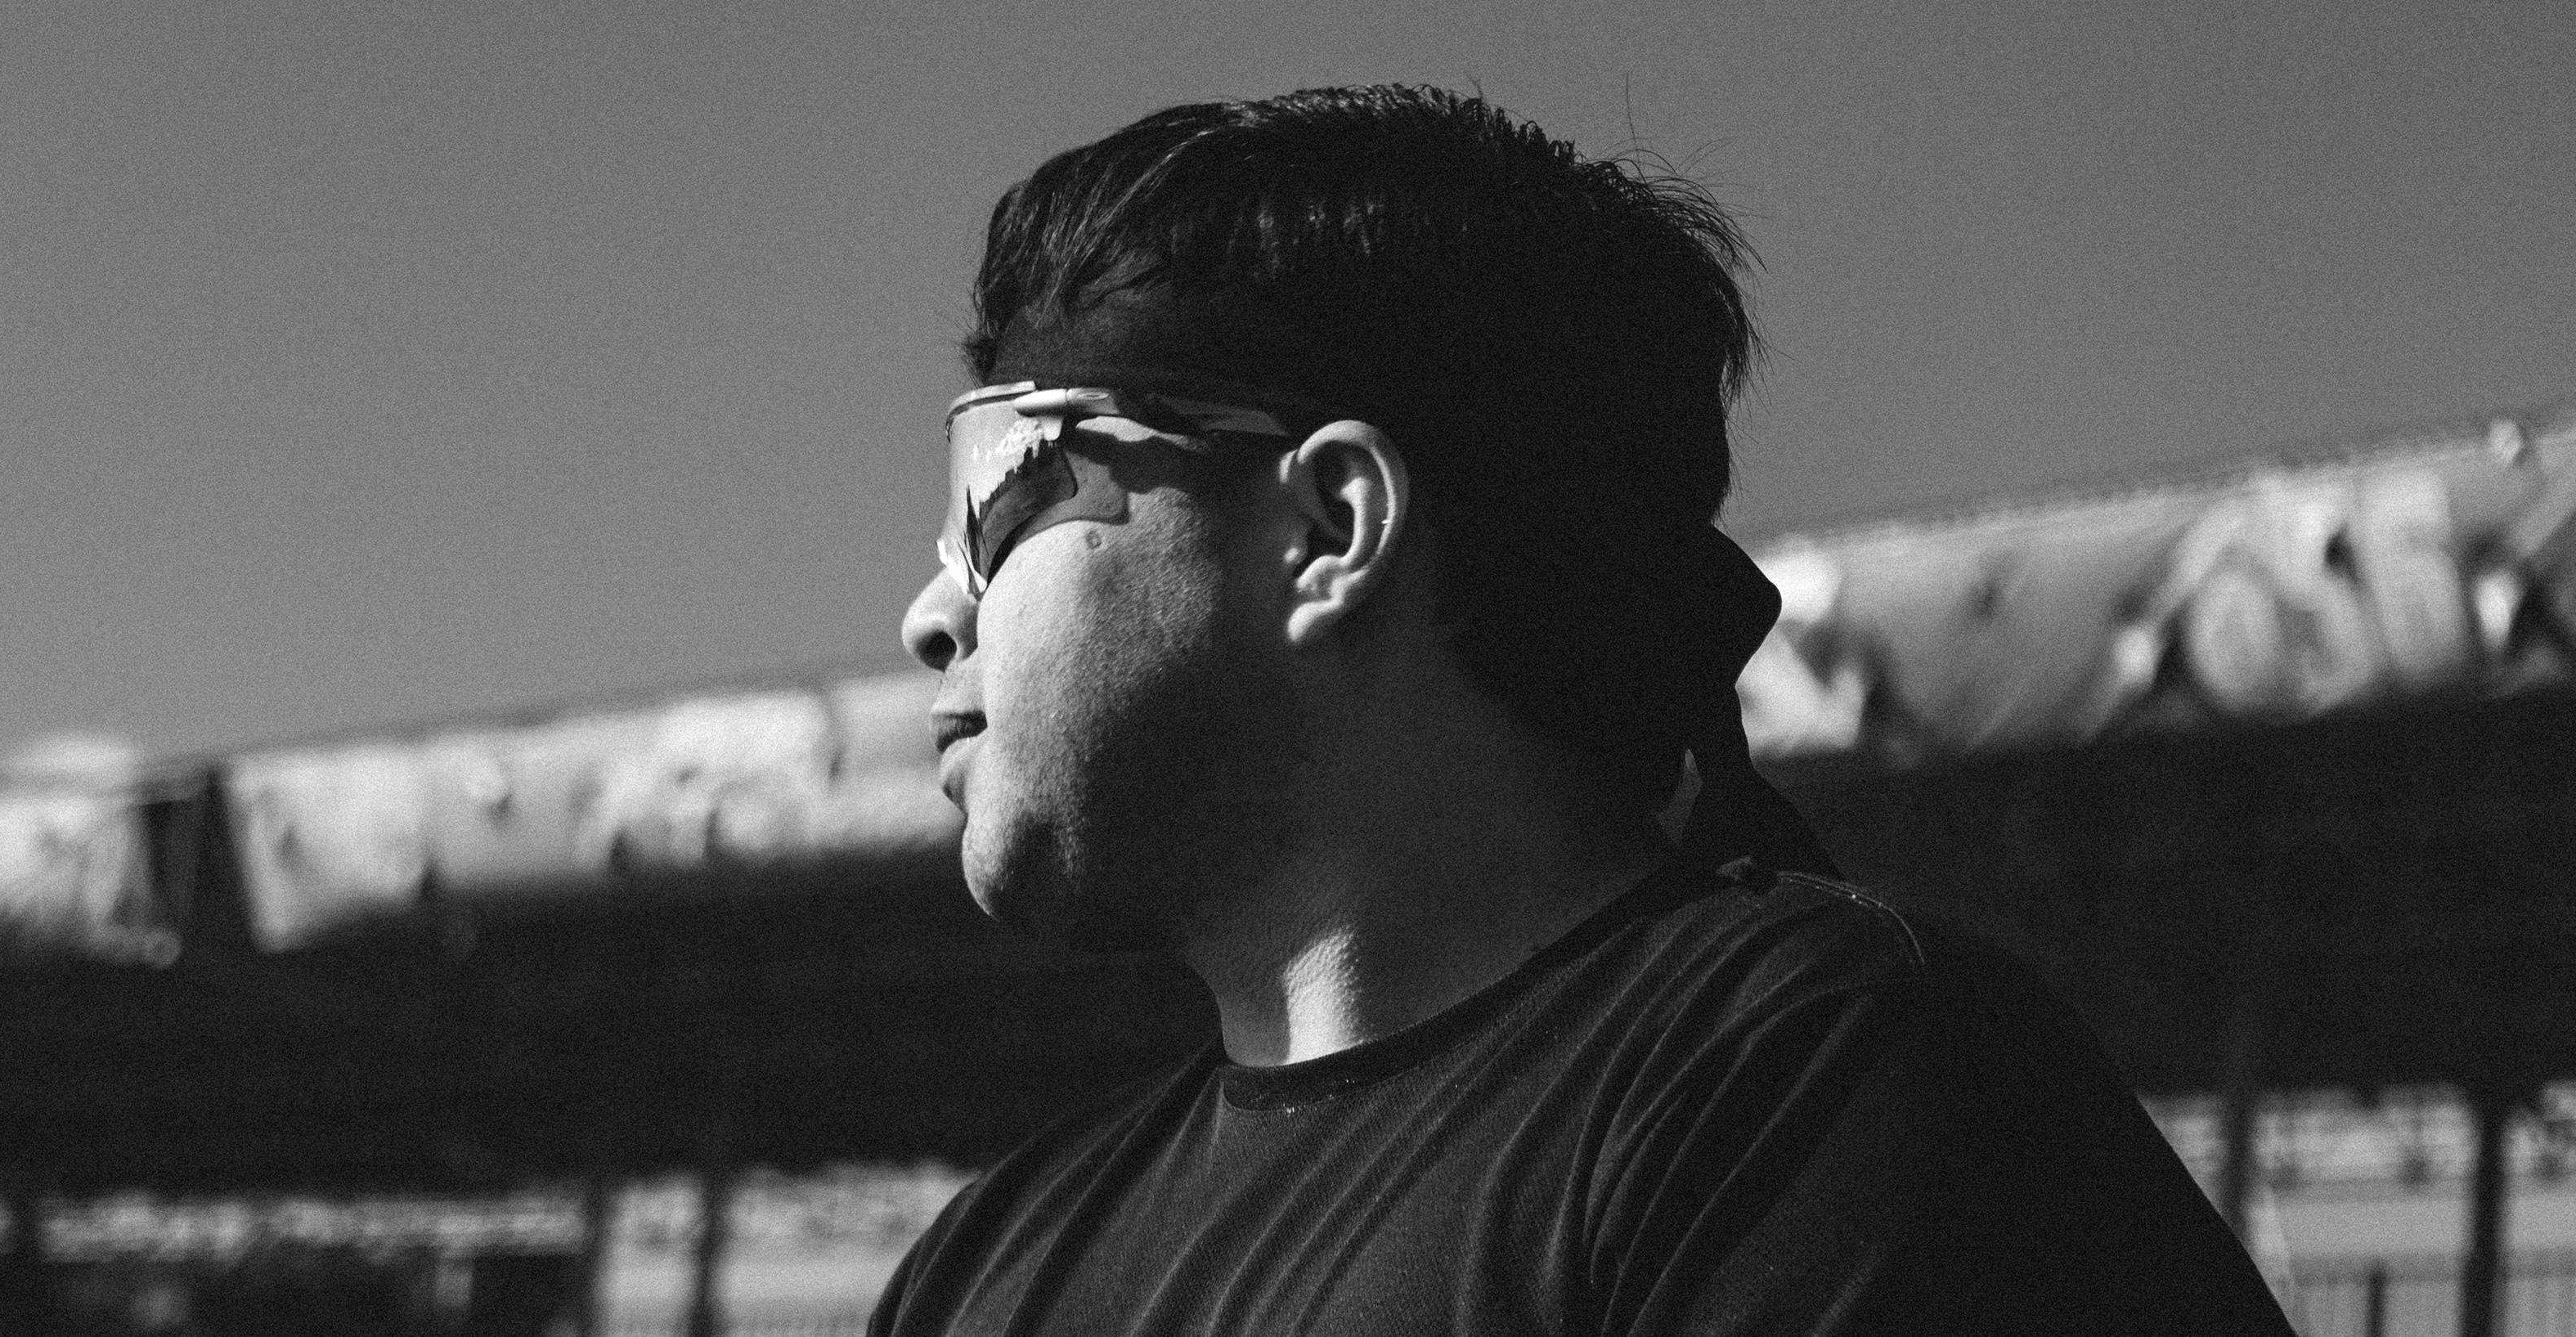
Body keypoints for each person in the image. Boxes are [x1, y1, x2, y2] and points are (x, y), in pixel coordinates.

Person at [878, 85, 2295, 1335]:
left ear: (1329, 527)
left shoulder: (1820, 1095)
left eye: (1002, 494)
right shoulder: (989, 1266)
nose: (937, 610)